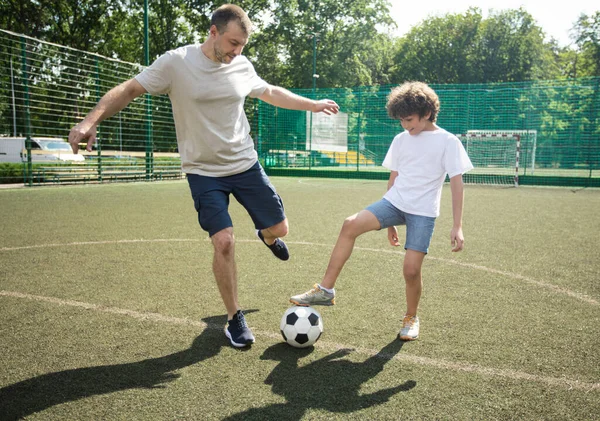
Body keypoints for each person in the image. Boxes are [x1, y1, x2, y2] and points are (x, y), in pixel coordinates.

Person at [68, 4, 340, 348]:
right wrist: (89, 122)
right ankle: (234, 318)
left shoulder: (241, 64)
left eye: (241, 45)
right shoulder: (176, 63)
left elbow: (269, 91)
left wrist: (312, 104)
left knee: (280, 228)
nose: (236, 51)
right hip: (203, 172)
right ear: (213, 31)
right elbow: (129, 89)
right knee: (224, 241)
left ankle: (268, 237)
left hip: (245, 164)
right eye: (232, 43)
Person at [290, 81, 473, 341]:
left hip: (423, 212)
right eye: (401, 120)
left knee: (411, 270)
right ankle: (326, 289)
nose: (405, 125)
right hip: (394, 203)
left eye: (409, 119)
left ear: (427, 113)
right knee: (350, 224)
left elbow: (457, 184)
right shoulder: (401, 140)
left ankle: (411, 317)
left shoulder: (448, 141)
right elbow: (394, 178)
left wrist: (457, 225)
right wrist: (390, 223)